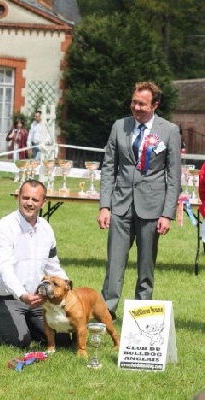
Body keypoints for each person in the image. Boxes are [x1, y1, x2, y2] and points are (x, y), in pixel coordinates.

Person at [97, 81, 181, 321]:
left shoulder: (169, 131)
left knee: (146, 267)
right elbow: (108, 168)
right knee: (114, 264)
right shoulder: (118, 127)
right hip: (120, 206)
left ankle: (140, 316)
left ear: (155, 105)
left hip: (152, 209)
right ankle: (106, 314)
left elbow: (174, 177)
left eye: (142, 104)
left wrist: (167, 213)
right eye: (134, 102)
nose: (136, 107)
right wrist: (105, 206)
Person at [0, 179, 70, 348]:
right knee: (19, 342)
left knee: (62, 341)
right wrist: (22, 295)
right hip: (6, 297)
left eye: (35, 200)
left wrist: (68, 288)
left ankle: (25, 322)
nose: (29, 203)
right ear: (18, 198)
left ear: (43, 202)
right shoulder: (3, 228)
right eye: (25, 198)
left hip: (36, 298)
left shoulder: (46, 229)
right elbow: (3, 270)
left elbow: (53, 266)